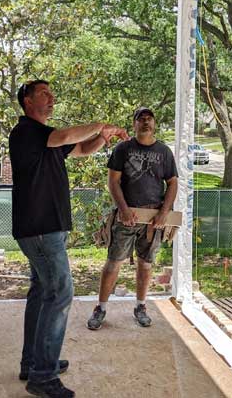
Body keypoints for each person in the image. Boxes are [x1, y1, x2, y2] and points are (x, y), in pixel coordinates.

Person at [10, 79, 128, 398]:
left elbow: (80, 149)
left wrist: (101, 139)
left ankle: (33, 362)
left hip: (47, 229)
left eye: (52, 93)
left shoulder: (46, 138)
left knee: (41, 291)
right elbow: (65, 136)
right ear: (27, 101)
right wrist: (100, 124)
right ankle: (43, 377)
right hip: (40, 229)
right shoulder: (26, 132)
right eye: (44, 94)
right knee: (61, 293)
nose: (52, 98)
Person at [87, 107, 178, 330]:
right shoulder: (123, 149)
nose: (146, 122)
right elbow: (113, 182)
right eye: (141, 119)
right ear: (134, 124)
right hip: (126, 217)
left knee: (146, 265)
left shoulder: (164, 152)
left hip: (152, 219)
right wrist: (124, 209)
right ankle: (101, 307)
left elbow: (173, 183)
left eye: (149, 119)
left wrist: (164, 212)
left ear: (154, 124)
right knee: (114, 262)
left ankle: (140, 306)